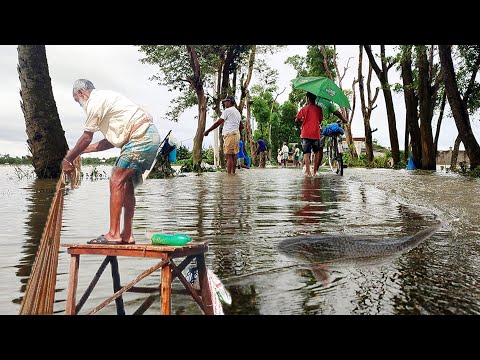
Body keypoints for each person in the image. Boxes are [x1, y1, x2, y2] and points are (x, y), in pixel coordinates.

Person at [61, 79, 161, 245]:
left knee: (116, 180)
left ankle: (113, 234)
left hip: (140, 138)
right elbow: (110, 142)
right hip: (149, 136)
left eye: (77, 101)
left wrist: (68, 159)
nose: (79, 105)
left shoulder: (94, 102)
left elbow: (86, 137)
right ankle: (127, 235)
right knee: (126, 184)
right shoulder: (108, 98)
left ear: (81, 93)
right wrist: (80, 151)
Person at [204, 95, 243, 174]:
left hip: (230, 135)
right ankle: (233, 174)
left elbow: (217, 123)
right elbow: (241, 126)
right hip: (236, 134)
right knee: (233, 155)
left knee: (228, 156)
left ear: (229, 102)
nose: (224, 103)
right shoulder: (237, 112)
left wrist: (207, 131)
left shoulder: (227, 111)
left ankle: (229, 176)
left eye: (225, 101)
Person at [315, 96, 348, 174]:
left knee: (317, 148)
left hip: (315, 126)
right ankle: (316, 170)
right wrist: (344, 120)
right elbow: (337, 113)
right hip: (324, 127)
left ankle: (314, 169)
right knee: (320, 148)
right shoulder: (328, 104)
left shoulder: (314, 101)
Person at [294, 92, 323, 177]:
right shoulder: (319, 109)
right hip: (315, 133)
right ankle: (314, 172)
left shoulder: (304, 109)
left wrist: (301, 122)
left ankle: (308, 172)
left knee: (306, 153)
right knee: (316, 152)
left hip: (306, 133)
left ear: (308, 99)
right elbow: (320, 120)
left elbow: (296, 119)